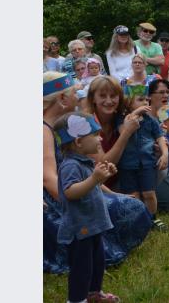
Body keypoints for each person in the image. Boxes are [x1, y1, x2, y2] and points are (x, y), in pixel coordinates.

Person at [45, 73, 152, 276]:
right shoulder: (54, 128)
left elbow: (89, 169)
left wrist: (110, 193)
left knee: (133, 206)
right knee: (128, 210)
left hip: (88, 186)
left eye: (114, 96)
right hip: (67, 197)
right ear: (61, 99)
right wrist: (75, 208)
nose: (78, 97)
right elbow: (50, 178)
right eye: (74, 93)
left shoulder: (67, 123)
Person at [53, 112, 122, 303]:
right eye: (94, 134)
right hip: (79, 228)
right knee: (81, 268)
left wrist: (102, 177)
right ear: (78, 142)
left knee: (97, 263)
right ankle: (76, 299)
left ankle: (93, 294)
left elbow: (90, 188)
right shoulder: (70, 166)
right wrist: (94, 178)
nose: (100, 138)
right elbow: (70, 192)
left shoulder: (84, 162)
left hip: (92, 225)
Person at [118, 84, 169, 230]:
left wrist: (165, 153)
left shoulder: (150, 120)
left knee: (149, 193)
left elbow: (160, 138)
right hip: (127, 165)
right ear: (128, 103)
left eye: (147, 100)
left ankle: (153, 218)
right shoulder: (123, 119)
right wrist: (136, 113)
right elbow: (124, 131)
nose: (145, 103)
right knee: (134, 195)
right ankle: (139, 220)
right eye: (140, 100)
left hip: (147, 163)